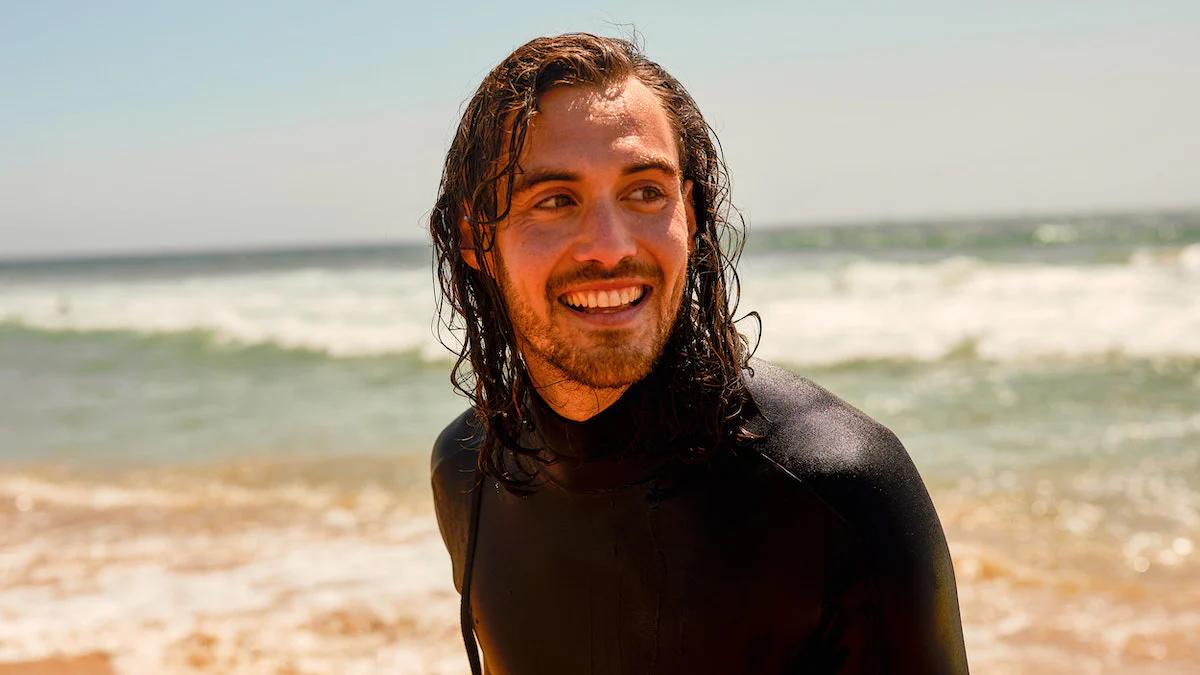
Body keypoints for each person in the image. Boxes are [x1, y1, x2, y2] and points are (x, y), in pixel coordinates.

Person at [428, 33, 969, 675]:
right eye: (555, 201)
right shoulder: (469, 472)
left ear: (689, 210)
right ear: (475, 239)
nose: (609, 245)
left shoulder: (839, 491)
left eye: (645, 192)